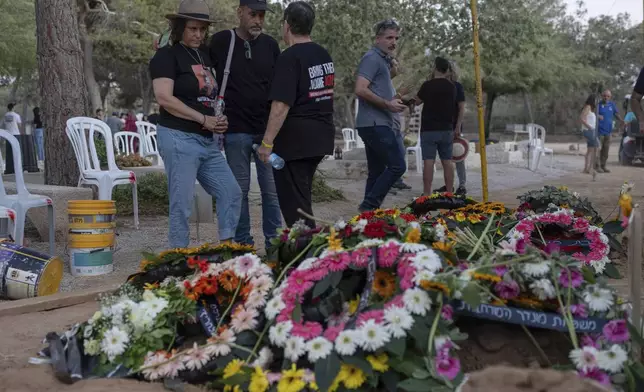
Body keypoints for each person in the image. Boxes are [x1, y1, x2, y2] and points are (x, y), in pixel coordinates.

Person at [149, 0, 241, 248]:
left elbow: (208, 95)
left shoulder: (205, 54)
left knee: (231, 192)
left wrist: (217, 117)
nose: (198, 34)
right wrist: (204, 119)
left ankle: (226, 250)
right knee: (182, 202)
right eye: (192, 29)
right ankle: (178, 258)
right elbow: (164, 98)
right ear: (179, 28)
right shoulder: (166, 55)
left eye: (202, 29)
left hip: (207, 140)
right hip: (178, 137)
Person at [209, 0, 282, 249]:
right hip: (236, 130)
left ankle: (274, 245)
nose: (258, 20)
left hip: (266, 132)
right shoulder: (221, 41)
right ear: (240, 13)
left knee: (271, 192)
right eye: (253, 14)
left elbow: (279, 88)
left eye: (262, 15)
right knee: (238, 191)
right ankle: (243, 245)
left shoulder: (271, 45)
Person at [257, 1, 334, 228]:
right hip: (320, 138)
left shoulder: (289, 57)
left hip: (295, 145)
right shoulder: (323, 54)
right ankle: (311, 253)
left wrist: (267, 142)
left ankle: (310, 256)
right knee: (302, 198)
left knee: (295, 209)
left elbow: (281, 105)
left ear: (287, 25)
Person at [354, 18, 407, 212]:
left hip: (376, 123)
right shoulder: (371, 58)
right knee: (398, 166)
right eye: (389, 37)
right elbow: (360, 89)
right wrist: (387, 104)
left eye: (396, 38)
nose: (393, 42)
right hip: (375, 124)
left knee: (376, 172)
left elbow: (377, 84)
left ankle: (368, 215)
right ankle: (369, 206)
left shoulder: (382, 60)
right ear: (378, 39)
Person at [414, 57, 456, 194]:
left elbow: (417, 102)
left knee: (428, 161)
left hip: (429, 129)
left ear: (435, 68)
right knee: (447, 161)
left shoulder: (427, 85)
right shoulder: (452, 87)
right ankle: (449, 192)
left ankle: (427, 193)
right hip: (447, 128)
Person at [434, 61, 466, 195]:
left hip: (453, 126)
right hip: (441, 126)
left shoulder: (457, 86)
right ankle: (449, 185)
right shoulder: (438, 87)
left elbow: (462, 107)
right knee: (446, 158)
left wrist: (458, 126)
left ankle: (462, 185)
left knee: (458, 155)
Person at [595, 89, 623, 173]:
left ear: (610, 97)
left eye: (608, 96)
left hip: (608, 131)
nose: (606, 97)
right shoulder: (598, 105)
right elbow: (592, 114)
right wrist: (598, 115)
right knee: (598, 150)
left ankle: (603, 166)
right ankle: (597, 166)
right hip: (599, 131)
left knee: (606, 151)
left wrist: (621, 121)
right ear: (602, 96)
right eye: (604, 96)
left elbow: (616, 114)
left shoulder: (612, 105)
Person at [580, 94, 598, 174]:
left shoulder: (590, 108)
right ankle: (588, 168)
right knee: (594, 148)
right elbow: (582, 118)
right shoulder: (588, 107)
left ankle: (587, 168)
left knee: (591, 150)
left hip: (591, 130)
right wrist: (589, 127)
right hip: (589, 130)